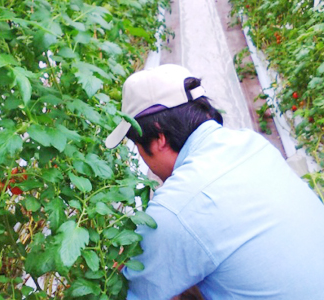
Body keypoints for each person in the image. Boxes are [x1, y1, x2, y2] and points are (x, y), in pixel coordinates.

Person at [105, 64, 324, 300]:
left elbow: (128, 292)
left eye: (139, 148)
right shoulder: (253, 144)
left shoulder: (176, 209)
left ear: (159, 138)